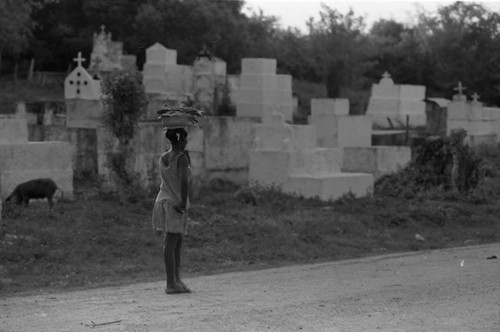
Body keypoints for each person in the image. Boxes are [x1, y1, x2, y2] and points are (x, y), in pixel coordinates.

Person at [152, 127, 192, 294]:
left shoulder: (164, 157)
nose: (187, 142)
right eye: (185, 138)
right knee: (171, 242)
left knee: (176, 241)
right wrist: (183, 203)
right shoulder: (181, 158)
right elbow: (183, 182)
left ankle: (176, 280)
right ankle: (171, 283)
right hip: (175, 203)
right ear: (181, 139)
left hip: (162, 200)